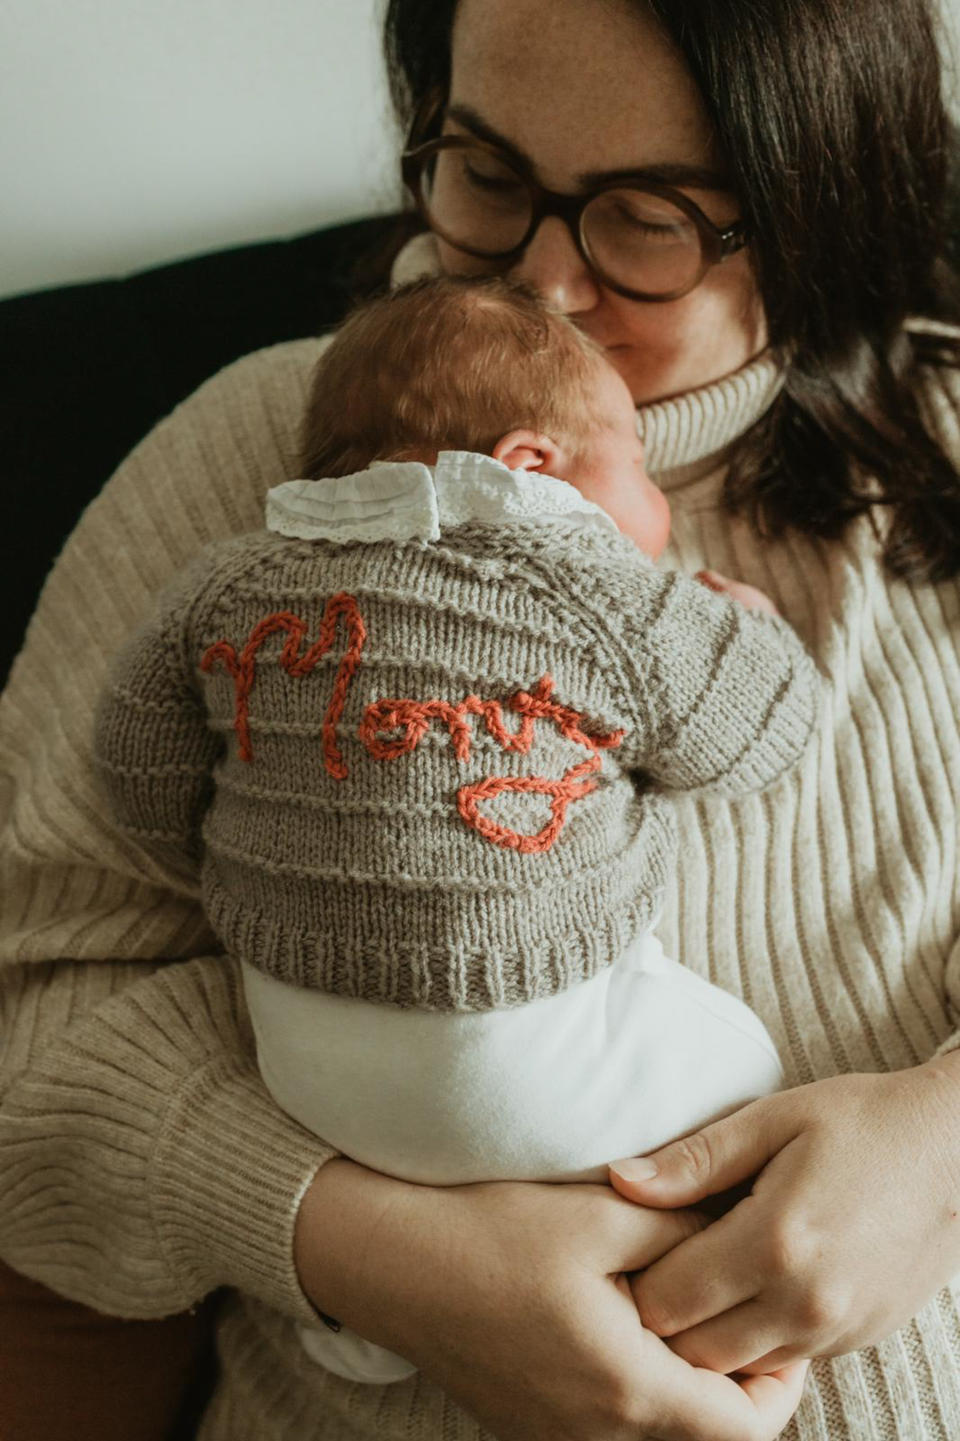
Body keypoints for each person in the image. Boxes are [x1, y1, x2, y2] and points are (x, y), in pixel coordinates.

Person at [2, 0, 960, 1437]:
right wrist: (370, 1254)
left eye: (645, 219)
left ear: (819, 206)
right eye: (490, 178)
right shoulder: (262, 464)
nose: (545, 287)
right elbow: (34, 1020)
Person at [93, 274, 814, 1387]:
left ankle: (380, 1321)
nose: (655, 497)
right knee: (746, 1067)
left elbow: (134, 767)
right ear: (531, 467)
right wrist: (752, 629)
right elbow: (756, 732)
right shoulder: (589, 581)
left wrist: (250, 825)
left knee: (431, 1137)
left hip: (304, 1070)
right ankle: (641, 1272)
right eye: (635, 457)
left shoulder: (231, 585)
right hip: (523, 1052)